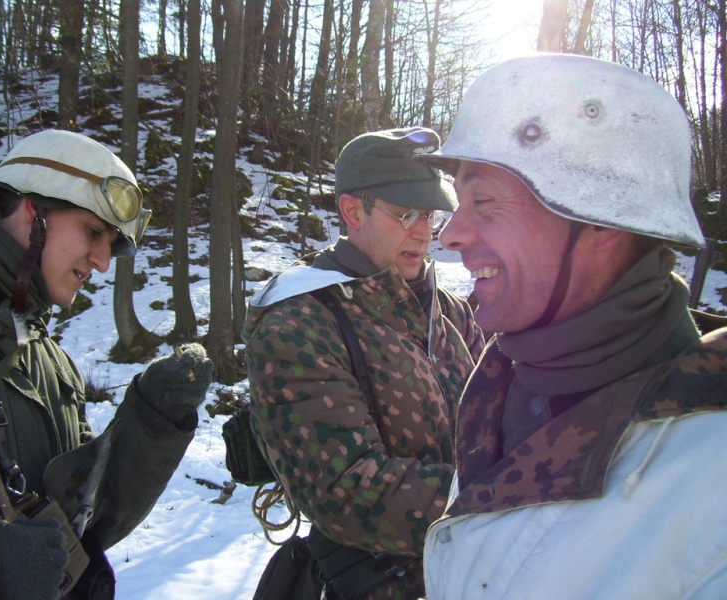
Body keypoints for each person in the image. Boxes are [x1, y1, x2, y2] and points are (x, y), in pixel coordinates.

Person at [417, 53, 727, 599]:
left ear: (600, 220)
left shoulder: (709, 480)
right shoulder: (501, 383)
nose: (451, 235)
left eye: (484, 200)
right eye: (458, 204)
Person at [0, 129, 213, 599]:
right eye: (93, 232)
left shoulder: (50, 361)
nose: (102, 262)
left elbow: (81, 524)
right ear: (32, 209)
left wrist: (153, 423)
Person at [244, 127, 485, 599]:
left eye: (430, 215)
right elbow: (344, 489)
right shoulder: (300, 321)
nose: (424, 232)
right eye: (406, 213)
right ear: (353, 212)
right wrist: (500, 499)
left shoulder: (453, 311)